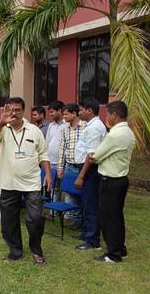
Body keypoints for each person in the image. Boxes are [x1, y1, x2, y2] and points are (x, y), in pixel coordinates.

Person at [0, 97, 52, 266]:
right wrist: (1, 123)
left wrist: (47, 173)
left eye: (17, 110)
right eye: (10, 109)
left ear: (23, 111)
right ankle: (15, 251)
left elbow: (43, 153)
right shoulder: (3, 128)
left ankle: (36, 250)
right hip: (9, 182)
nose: (14, 113)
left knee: (35, 218)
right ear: (5, 110)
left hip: (31, 182)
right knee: (8, 220)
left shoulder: (34, 130)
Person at [91, 101, 135, 263]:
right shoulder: (128, 132)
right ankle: (120, 249)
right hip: (121, 180)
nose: (106, 117)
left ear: (114, 115)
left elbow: (96, 156)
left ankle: (113, 254)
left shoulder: (114, 135)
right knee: (117, 216)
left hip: (111, 181)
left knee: (109, 218)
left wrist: (93, 156)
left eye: (108, 114)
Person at [74, 97, 106, 250]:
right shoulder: (91, 125)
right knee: (87, 203)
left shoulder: (94, 127)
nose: (79, 113)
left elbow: (91, 156)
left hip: (90, 170)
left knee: (91, 204)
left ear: (89, 111)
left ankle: (92, 240)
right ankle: (87, 233)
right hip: (87, 169)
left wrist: (81, 175)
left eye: (81, 110)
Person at [57, 104, 86, 224]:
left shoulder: (85, 127)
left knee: (84, 194)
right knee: (70, 193)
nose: (64, 117)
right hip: (69, 166)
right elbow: (62, 149)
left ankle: (82, 220)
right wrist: (60, 168)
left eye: (66, 114)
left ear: (74, 114)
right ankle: (73, 219)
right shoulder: (65, 129)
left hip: (83, 167)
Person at [45, 101, 67, 202]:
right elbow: (47, 142)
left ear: (59, 111)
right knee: (54, 187)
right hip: (51, 161)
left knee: (66, 188)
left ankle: (67, 212)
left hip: (63, 163)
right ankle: (53, 210)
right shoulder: (51, 126)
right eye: (49, 112)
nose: (50, 114)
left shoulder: (67, 125)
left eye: (52, 112)